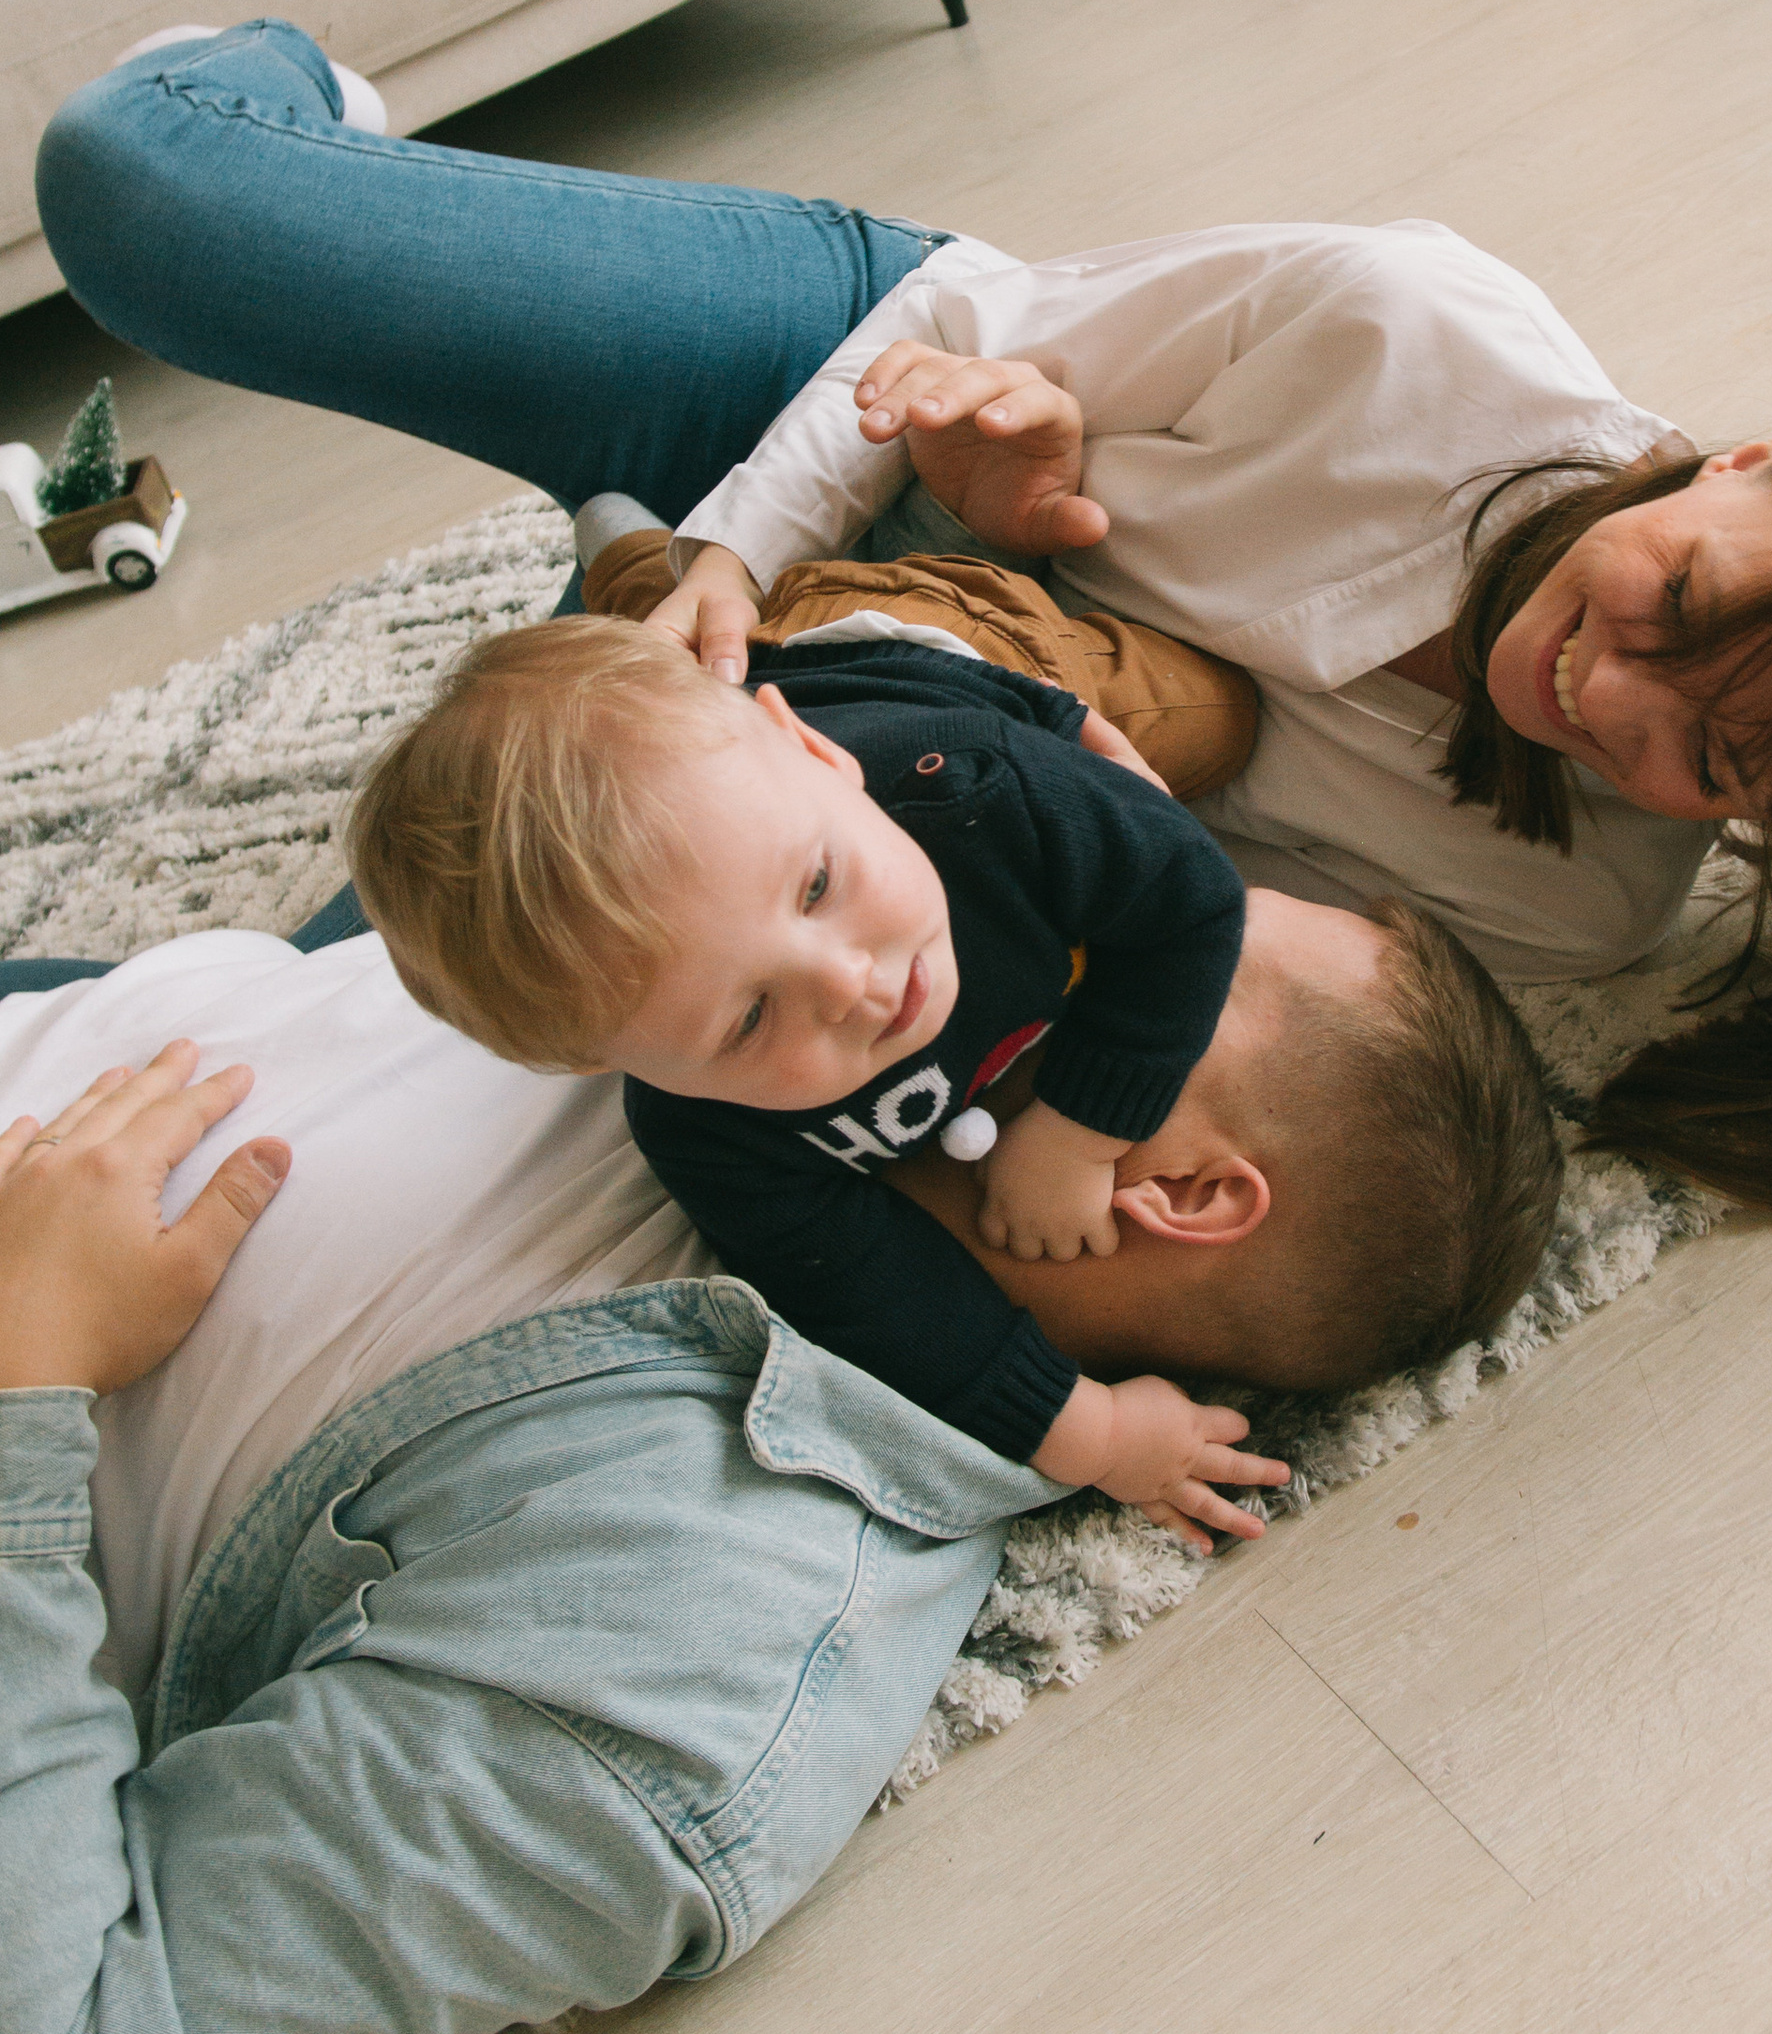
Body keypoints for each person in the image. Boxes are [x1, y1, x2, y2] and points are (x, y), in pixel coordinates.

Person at [36, 21, 1772, 1207]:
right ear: (1752, 451)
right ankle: (320, 118)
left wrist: (948, 640)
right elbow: (958, 318)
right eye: (1678, 599)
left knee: (286, 1057)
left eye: (1709, 759)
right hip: (818, 393)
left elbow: (1119, 891)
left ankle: (585, 564)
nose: (1603, 688)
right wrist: (770, 544)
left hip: (841, 703)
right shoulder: (1405, 325)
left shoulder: (1582, 906)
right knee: (140, 190)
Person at [0, 832, 1552, 2034]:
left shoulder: (692, 1636)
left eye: (1154, 944)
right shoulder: (810, 1016)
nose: (1075, 882)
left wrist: (25, 1375)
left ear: (1180, 1189)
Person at [340, 616, 1559, 1514]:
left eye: (820, 885)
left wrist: (1082, 1124)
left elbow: (1184, 900)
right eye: (746, 1022)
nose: (857, 983)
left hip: (914, 697)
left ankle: (672, 593)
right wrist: (1085, 1433)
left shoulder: (961, 797)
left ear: (816, 759)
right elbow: (869, 1291)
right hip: (855, 714)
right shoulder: (706, 1127)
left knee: (1079, 734)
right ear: (615, 1063)